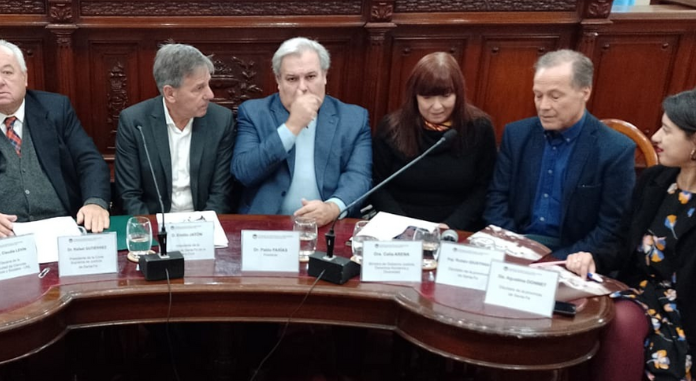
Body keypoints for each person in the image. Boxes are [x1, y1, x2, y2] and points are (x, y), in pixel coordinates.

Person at [545, 89, 696, 381]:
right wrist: (590, 257)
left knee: (619, 321)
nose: (655, 138)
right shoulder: (656, 181)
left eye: (666, 131)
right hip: (635, 295)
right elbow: (620, 244)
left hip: (684, 324)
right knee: (587, 321)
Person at [0, 39, 111, 236]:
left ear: (24, 77)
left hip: (63, 226)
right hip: (1, 234)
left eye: (7, 72)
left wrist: (95, 202)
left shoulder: (56, 109)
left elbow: (89, 161)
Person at [484, 49, 636, 258]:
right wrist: (516, 248)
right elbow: (496, 200)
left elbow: (612, 227)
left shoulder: (615, 150)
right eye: (538, 95)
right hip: (513, 246)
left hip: (573, 256)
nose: (543, 106)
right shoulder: (516, 135)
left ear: (585, 92)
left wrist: (558, 260)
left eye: (555, 96)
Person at [231, 37, 372, 225]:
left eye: (311, 77)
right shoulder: (254, 113)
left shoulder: (354, 118)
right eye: (292, 79)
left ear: (324, 76)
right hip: (266, 225)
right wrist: (292, 126)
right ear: (278, 80)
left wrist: (333, 208)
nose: (302, 88)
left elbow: (359, 176)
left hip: (327, 225)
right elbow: (244, 173)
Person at [369, 52, 496, 231]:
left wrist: (451, 226)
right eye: (427, 97)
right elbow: (377, 184)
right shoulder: (391, 128)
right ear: (414, 96)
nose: (437, 106)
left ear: (458, 94)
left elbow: (484, 187)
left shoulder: (479, 128)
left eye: (445, 96)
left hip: (457, 228)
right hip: (399, 225)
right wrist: (405, 226)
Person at [115, 43, 236, 215]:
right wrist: (150, 228)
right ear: (170, 93)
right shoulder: (135, 123)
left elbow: (221, 194)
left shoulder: (221, 120)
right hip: (154, 222)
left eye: (208, 84)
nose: (210, 95)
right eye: (199, 88)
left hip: (204, 222)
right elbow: (129, 195)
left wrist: (204, 226)